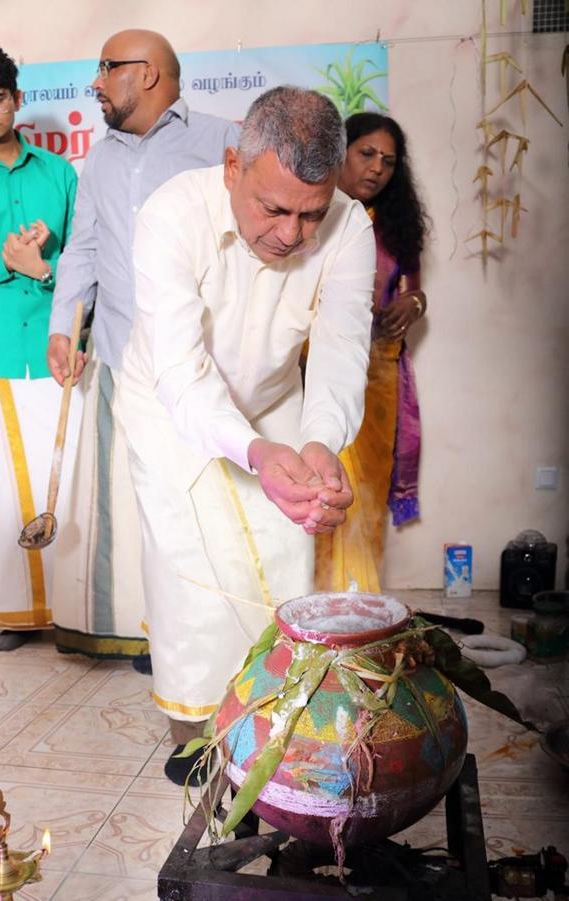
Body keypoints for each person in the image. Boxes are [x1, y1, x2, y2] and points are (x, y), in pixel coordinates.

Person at [115, 85, 376, 783]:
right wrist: (254, 451)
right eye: (274, 209)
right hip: (170, 403)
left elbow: (341, 350)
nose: (292, 234)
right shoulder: (172, 214)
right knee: (194, 571)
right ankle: (196, 735)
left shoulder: (350, 226)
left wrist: (320, 442)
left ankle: (274, 724)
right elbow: (181, 368)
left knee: (287, 553)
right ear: (233, 166)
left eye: (311, 213)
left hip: (275, 400)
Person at [46, 30, 240, 664]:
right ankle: (155, 632)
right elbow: (84, 249)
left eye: (107, 68)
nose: (95, 82)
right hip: (120, 354)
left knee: (206, 502)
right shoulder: (99, 159)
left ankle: (216, 635)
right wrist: (62, 328)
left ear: (149, 73)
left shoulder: (220, 142)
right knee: (140, 504)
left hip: (204, 363)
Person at [0, 42, 79, 649]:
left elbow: (86, 262)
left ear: (18, 98)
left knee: (62, 476)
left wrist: (43, 266)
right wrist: (5, 263)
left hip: (56, 343)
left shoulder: (59, 174)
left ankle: (72, 609)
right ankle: (13, 613)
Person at [315, 112, 429, 594]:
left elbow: (414, 290)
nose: (377, 168)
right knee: (320, 484)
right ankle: (310, 602)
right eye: (367, 154)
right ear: (340, 152)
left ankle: (359, 600)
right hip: (311, 373)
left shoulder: (394, 227)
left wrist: (414, 303)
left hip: (375, 377)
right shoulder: (311, 211)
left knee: (364, 493)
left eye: (389, 161)